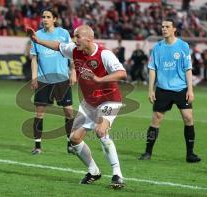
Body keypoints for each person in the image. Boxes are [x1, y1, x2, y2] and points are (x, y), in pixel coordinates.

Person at [27, 24, 127, 188]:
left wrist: (99, 79)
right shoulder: (75, 50)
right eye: (74, 36)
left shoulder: (104, 54)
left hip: (109, 99)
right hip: (89, 102)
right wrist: (37, 40)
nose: (75, 39)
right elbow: (58, 46)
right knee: (74, 138)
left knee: (100, 130)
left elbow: (122, 73)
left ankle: (117, 175)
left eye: (78, 36)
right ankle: (93, 171)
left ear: (89, 38)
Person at [138, 18, 201, 163]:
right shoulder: (158, 47)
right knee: (156, 119)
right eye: (162, 27)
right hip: (163, 89)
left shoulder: (183, 46)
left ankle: (190, 154)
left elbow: (188, 69)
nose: (163, 29)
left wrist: (190, 90)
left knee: (188, 118)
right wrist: (151, 90)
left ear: (174, 29)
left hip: (181, 89)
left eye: (167, 27)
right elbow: (152, 69)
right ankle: (147, 152)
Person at [30, 8, 76, 155]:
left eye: (48, 17)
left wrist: (73, 71)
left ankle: (70, 144)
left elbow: (72, 54)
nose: (45, 19)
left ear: (54, 19)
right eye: (43, 16)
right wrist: (34, 76)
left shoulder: (63, 34)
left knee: (69, 112)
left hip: (62, 78)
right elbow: (34, 58)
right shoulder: (36, 35)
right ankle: (37, 146)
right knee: (39, 114)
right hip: (44, 79)